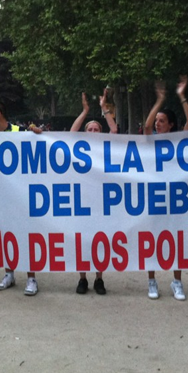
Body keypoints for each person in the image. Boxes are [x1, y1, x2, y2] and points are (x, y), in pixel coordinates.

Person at [0, 99, 42, 295]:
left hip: (22, 195)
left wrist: (38, 134)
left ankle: (31, 278)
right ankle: (9, 274)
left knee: (26, 235)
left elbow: (40, 148)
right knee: (5, 234)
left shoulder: (21, 132)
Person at [142, 76, 188, 301]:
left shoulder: (179, 141)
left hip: (175, 198)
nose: (157, 124)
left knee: (176, 239)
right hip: (154, 197)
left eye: (162, 121)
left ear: (171, 125)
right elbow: (146, 126)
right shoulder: (151, 141)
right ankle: (152, 281)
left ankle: (177, 282)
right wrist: (159, 101)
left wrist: (182, 96)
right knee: (152, 238)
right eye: (157, 120)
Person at [70, 89, 117, 295]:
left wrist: (103, 109)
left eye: (97, 129)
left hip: (101, 200)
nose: (93, 132)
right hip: (82, 199)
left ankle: (99, 279)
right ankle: (82, 279)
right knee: (82, 241)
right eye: (90, 129)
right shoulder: (77, 146)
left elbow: (114, 131)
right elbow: (72, 133)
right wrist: (85, 111)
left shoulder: (106, 146)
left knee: (100, 241)